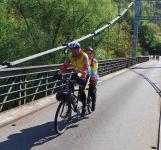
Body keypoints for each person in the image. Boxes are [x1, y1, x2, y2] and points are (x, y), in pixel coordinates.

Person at [57, 42, 91, 117]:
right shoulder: (70, 56)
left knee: (81, 90)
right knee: (69, 87)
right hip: (76, 73)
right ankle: (71, 104)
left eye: (74, 50)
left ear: (79, 49)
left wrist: (81, 75)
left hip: (85, 74)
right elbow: (65, 66)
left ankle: (84, 107)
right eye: (71, 50)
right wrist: (59, 73)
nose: (73, 51)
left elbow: (85, 69)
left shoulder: (84, 56)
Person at [84, 47, 98, 111]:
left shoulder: (94, 61)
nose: (88, 54)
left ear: (92, 54)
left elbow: (94, 71)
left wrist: (92, 77)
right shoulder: (84, 59)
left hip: (93, 76)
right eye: (86, 53)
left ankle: (93, 103)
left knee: (92, 90)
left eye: (90, 53)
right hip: (86, 76)